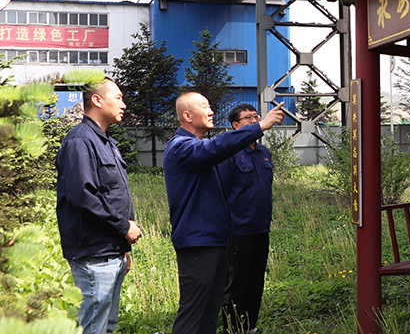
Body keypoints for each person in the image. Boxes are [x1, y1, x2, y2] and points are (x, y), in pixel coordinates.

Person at [163, 91, 284, 334]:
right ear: (187, 115)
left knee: (209, 315)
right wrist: (259, 127)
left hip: (216, 241)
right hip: (198, 243)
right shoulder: (181, 147)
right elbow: (215, 147)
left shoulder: (200, 149)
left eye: (210, 106)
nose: (211, 112)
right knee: (193, 315)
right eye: (205, 107)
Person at [56, 78, 143, 334]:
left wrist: (121, 247)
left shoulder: (106, 142)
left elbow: (111, 194)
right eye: (118, 98)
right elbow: (83, 196)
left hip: (111, 250)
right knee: (94, 327)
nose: (124, 105)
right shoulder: (80, 141)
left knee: (107, 327)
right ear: (97, 100)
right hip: (94, 255)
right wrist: (123, 227)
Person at [218, 104, 274, 333]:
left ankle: (250, 327)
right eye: (247, 118)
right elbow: (221, 192)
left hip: (261, 229)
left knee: (256, 281)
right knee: (236, 284)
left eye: (255, 117)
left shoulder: (263, 153)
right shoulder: (229, 154)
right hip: (238, 231)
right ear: (235, 125)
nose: (253, 121)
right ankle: (233, 329)